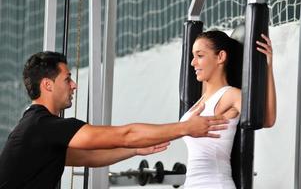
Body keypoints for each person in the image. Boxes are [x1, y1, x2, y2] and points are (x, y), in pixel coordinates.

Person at [0, 51, 229, 189]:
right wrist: (186, 128)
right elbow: (126, 134)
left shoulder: (36, 128)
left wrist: (134, 151)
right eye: (67, 79)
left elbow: (87, 157)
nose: (74, 85)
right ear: (47, 85)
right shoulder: (43, 126)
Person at [180, 31, 276, 189]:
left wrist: (268, 66)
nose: (193, 63)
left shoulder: (230, 95)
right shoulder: (203, 98)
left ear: (220, 57)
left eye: (200, 56)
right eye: (193, 55)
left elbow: (267, 119)